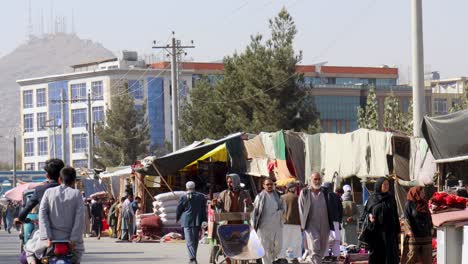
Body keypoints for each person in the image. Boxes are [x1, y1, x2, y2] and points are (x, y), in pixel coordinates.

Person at [31, 167, 84, 264]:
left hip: (50, 239)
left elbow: (42, 213)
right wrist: (74, 239)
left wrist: (47, 237)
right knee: (76, 259)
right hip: (71, 241)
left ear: (59, 179)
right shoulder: (77, 194)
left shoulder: (48, 192)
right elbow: (79, 218)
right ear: (74, 181)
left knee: (30, 252)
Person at [361, 177, 400, 264]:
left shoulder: (391, 198)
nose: (386, 186)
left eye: (388, 184)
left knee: (389, 254)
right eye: (384, 184)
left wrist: (397, 230)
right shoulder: (372, 198)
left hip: (389, 232)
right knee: (377, 254)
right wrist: (370, 216)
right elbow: (365, 213)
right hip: (376, 232)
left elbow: (395, 214)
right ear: (379, 185)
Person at [15, 159, 64, 225]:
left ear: (47, 175)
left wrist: (21, 218)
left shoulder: (40, 190)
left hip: (47, 229)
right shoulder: (71, 191)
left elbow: (26, 209)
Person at [298, 172, 332, 264]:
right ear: (310, 180)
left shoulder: (325, 192)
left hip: (325, 225)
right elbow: (301, 209)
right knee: (314, 248)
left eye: (319, 179)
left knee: (322, 249)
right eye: (315, 179)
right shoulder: (305, 192)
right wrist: (303, 224)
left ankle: (313, 261)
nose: (317, 181)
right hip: (311, 225)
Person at [251, 178, 283, 264]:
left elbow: (282, 208)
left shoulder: (278, 195)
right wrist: (254, 226)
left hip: (276, 227)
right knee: (265, 250)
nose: (269, 186)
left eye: (271, 184)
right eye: (267, 184)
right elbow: (255, 212)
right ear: (263, 186)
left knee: (278, 247)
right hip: (263, 228)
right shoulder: (260, 197)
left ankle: (271, 259)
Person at [176, 181, 207, 264]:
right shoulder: (201, 196)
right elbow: (203, 210)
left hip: (187, 221)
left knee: (189, 241)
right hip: (197, 221)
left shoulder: (183, 197)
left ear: (186, 187)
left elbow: (179, 209)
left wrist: (177, 217)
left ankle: (192, 259)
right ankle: (193, 258)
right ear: (194, 187)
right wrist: (204, 220)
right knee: (195, 240)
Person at [403, 186, 433, 264]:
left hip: (426, 236)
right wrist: (409, 230)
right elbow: (406, 218)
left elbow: (429, 218)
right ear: (416, 193)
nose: (423, 194)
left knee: (427, 259)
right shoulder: (409, 204)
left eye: (423, 192)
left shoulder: (424, 204)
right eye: (421, 192)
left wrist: (431, 229)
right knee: (412, 257)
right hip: (414, 236)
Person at [279, 181, 301, 263]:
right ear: (294, 188)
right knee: (293, 242)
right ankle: (291, 258)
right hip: (295, 224)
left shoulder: (282, 197)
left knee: (284, 241)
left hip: (284, 224)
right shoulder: (297, 197)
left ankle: (283, 258)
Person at [322, 182, 343, 259]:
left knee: (325, 238)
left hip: (326, 220)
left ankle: (326, 255)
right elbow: (341, 210)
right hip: (336, 220)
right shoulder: (336, 196)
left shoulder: (322, 196)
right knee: (336, 240)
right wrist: (339, 220)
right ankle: (336, 255)